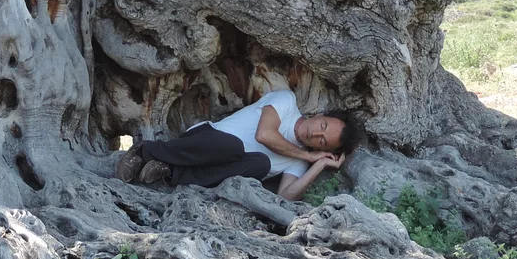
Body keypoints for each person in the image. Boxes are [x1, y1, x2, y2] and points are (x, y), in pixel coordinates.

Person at [114, 90, 365, 201]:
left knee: (260, 163)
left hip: (211, 169)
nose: (315, 134)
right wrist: (305, 155)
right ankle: (144, 151)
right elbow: (264, 135)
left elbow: (285, 196)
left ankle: (170, 171)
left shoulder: (300, 161)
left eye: (323, 142)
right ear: (321, 115)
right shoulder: (285, 102)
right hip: (204, 141)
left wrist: (317, 165)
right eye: (322, 126)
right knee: (235, 148)